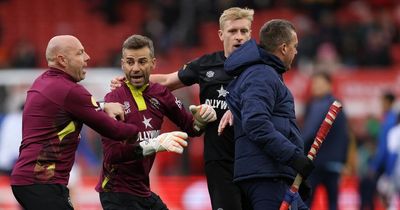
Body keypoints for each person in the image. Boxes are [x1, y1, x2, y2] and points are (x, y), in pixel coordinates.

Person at [10, 35, 188, 210]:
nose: (87, 58)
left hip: (29, 179)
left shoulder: (42, 82)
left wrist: (102, 106)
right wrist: (151, 139)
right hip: (41, 182)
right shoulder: (71, 91)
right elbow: (116, 131)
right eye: (80, 53)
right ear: (62, 60)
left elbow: (76, 107)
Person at [110, 7, 254, 210]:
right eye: (232, 31)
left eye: (244, 31)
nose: (238, 36)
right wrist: (131, 79)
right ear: (221, 34)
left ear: (250, 34)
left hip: (253, 158)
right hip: (219, 160)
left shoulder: (260, 67)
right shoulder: (206, 64)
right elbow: (168, 80)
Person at [95, 34, 217, 210]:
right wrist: (153, 144)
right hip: (116, 192)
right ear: (122, 64)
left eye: (142, 61)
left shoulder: (160, 94)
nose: (135, 68)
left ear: (153, 63)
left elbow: (191, 128)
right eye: (130, 62)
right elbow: (113, 154)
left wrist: (201, 120)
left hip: (143, 191)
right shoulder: (113, 100)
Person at [224, 19, 314, 210]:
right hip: (267, 176)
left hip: (274, 173)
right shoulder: (262, 74)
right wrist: (293, 157)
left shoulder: (266, 73)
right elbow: (256, 123)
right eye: (294, 46)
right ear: (283, 48)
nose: (296, 52)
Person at [301, 72, 350, 210]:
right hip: (334, 164)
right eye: (314, 84)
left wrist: (298, 154)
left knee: (306, 202)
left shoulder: (320, 104)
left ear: (329, 85)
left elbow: (309, 133)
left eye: (319, 83)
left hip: (316, 163)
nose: (315, 87)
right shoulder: (339, 105)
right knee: (333, 203)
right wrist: (343, 161)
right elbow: (346, 136)